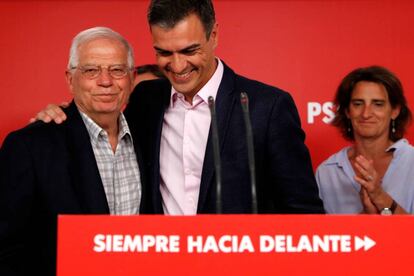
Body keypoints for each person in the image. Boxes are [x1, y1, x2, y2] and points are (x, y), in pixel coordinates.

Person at [34, 0, 324, 215]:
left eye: (189, 50)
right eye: (163, 52)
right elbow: (98, 119)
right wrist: (63, 115)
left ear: (214, 36)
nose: (177, 65)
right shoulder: (145, 100)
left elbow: (303, 211)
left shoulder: (267, 107)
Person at [0, 27, 146, 276]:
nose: (106, 81)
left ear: (131, 79)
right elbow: (6, 249)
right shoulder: (29, 147)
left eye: (117, 70)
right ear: (70, 79)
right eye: (91, 70)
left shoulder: (150, 134)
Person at [316, 66, 413, 214]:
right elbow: (319, 235)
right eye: (358, 104)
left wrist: (379, 196)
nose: (366, 113)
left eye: (378, 104)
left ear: (395, 111)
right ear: (347, 111)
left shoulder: (411, 161)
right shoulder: (328, 171)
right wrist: (365, 218)